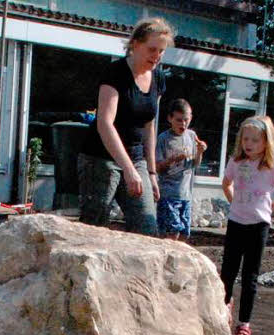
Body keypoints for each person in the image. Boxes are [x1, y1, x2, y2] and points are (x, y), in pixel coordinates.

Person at [78, 18, 174, 235]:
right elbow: (104, 123)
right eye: (152, 49)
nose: (156, 56)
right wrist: (128, 169)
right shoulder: (115, 72)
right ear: (135, 44)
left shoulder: (158, 78)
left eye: (161, 51)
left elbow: (149, 124)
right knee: (93, 230)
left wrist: (151, 172)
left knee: (147, 230)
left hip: (137, 157)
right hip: (100, 159)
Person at [220, 115, 274, 335]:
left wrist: (269, 209)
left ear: (266, 142)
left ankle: (244, 324)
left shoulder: (271, 166)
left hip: (258, 226)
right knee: (228, 272)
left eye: (255, 140)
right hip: (236, 222)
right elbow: (226, 183)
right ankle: (223, 309)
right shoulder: (236, 161)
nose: (249, 144)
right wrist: (234, 202)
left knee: (250, 276)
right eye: (245, 139)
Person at [155, 98, 208, 240]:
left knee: (184, 234)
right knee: (172, 233)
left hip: (186, 194)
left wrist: (200, 152)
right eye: (179, 120)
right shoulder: (163, 139)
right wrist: (173, 159)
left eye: (186, 120)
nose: (183, 124)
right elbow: (157, 167)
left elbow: (195, 164)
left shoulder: (191, 136)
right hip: (168, 195)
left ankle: (179, 262)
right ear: (170, 118)